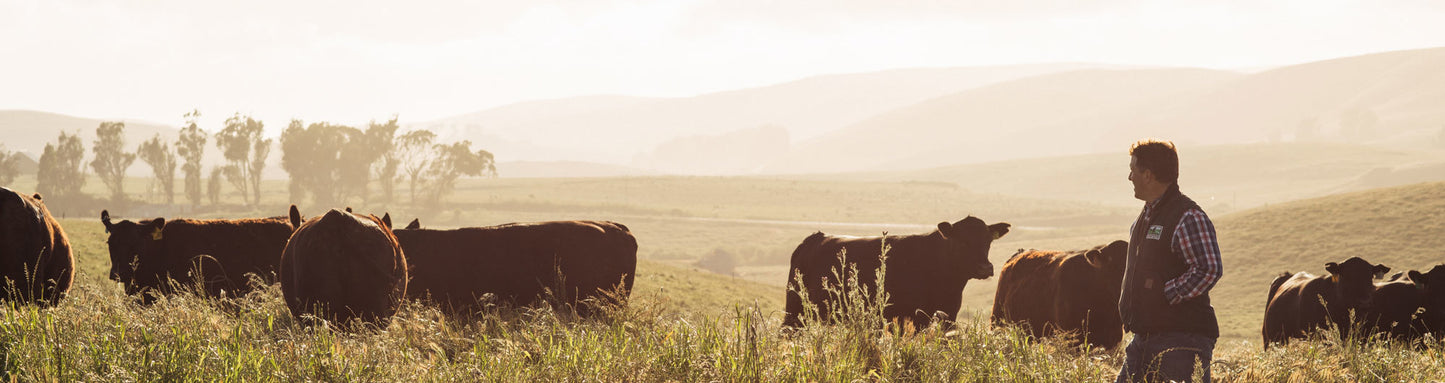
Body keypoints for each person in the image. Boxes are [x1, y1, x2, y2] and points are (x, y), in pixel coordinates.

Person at [1116, 139, 1223, 383]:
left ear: (1148, 175)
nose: (1129, 177)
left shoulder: (1187, 216)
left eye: (1133, 170)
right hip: (1144, 338)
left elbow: (1209, 268)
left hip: (1181, 340)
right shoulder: (1145, 218)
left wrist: (1166, 293)